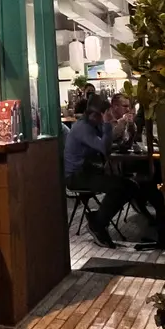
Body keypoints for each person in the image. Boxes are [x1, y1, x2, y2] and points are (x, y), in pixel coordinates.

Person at [64, 94, 136, 248]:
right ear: (94, 114)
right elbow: (104, 148)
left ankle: (97, 219)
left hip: (89, 172)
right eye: (103, 114)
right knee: (119, 187)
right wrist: (108, 124)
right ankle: (97, 224)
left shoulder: (93, 125)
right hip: (77, 176)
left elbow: (106, 145)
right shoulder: (82, 128)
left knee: (130, 186)